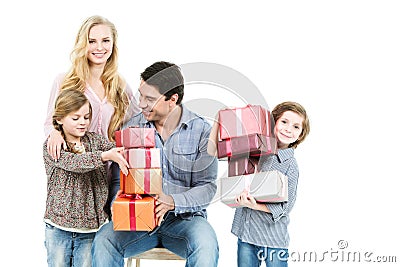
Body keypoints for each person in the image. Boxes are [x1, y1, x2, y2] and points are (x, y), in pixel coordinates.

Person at [91, 61, 219, 267]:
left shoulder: (202, 131)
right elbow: (117, 181)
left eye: (149, 99)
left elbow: (208, 186)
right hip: (138, 221)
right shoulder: (131, 129)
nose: (141, 104)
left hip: (185, 221)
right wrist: (119, 203)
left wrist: (172, 201)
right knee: (104, 240)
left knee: (206, 244)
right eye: (141, 96)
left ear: (172, 99)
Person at [44, 15, 139, 216]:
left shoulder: (120, 86)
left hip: (110, 175)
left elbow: (139, 123)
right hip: (76, 178)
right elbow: (50, 122)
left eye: (106, 41)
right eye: (92, 41)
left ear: (113, 45)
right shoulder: (65, 81)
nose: (99, 47)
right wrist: (54, 132)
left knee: (106, 236)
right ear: (82, 44)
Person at [208, 101, 310, 267]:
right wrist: (218, 120)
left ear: (301, 134)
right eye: (284, 122)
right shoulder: (252, 147)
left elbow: (286, 207)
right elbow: (212, 152)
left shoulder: (291, 165)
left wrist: (255, 206)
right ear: (273, 122)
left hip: (273, 240)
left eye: (296, 127)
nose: (288, 129)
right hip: (246, 234)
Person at [43, 88, 129, 267]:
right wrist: (104, 156)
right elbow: (76, 164)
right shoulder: (53, 146)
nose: (82, 122)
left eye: (86, 117)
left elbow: (115, 147)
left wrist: (131, 148)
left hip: (90, 228)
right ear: (59, 119)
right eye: (75, 118)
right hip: (59, 227)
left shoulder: (95, 141)